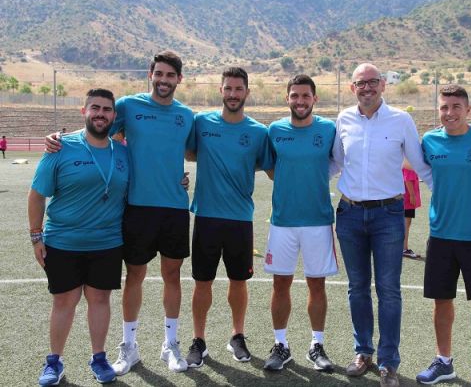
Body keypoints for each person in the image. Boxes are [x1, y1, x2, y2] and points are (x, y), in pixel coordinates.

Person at [45, 51, 195, 374]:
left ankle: (171, 344)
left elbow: (192, 151)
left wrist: (182, 174)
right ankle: (129, 347)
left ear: (179, 79)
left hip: (174, 209)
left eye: (171, 75)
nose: (164, 80)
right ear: (150, 74)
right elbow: (97, 127)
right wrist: (61, 139)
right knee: (135, 277)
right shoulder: (129, 106)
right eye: (159, 74)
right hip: (137, 207)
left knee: (172, 275)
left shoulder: (186, 115)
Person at [332, 63, 433, 387]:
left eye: (372, 82)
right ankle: (363, 352)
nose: (367, 88)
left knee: (388, 290)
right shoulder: (343, 120)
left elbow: (420, 166)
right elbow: (334, 162)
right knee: (357, 288)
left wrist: (445, 194)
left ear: (383, 85)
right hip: (349, 215)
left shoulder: (401, 120)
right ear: (352, 88)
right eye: (360, 83)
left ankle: (389, 362)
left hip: (388, 215)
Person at [28, 89, 128, 385]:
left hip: (107, 243)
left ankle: (99, 358)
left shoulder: (122, 152)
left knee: (100, 300)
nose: (101, 114)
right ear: (84, 111)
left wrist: (180, 181)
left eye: (107, 109)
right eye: (95, 108)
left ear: (113, 115)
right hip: (63, 242)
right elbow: (36, 195)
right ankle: (54, 362)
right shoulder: (60, 147)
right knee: (64, 302)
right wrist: (36, 236)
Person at [415, 85, 471, 387]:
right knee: (441, 302)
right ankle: (444, 362)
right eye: (444, 107)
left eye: (456, 106)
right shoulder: (429, 141)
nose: (449, 113)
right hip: (441, 236)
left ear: (468, 109)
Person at [184, 67, 272, 368]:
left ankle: (237, 336)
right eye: (228, 88)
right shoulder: (201, 123)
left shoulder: (259, 132)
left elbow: (271, 169)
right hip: (206, 217)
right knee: (202, 282)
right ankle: (199, 340)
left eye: (239, 89)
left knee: (239, 280)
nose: (233, 94)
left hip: (240, 219)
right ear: (221, 91)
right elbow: (189, 153)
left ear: (247, 92)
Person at [261, 74, 338, 372]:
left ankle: (316, 345)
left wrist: (313, 179)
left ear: (314, 99)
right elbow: (270, 168)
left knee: (316, 284)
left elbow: (336, 162)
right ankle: (281, 345)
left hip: (318, 221)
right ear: (288, 98)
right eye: (295, 95)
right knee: (281, 283)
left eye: (305, 96)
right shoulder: (275, 130)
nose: (300, 101)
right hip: (282, 221)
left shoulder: (328, 129)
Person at [402, 160, 421, 259]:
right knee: (406, 222)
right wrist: (412, 195)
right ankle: (404, 248)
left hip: (405, 196)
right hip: (407, 197)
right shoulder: (409, 161)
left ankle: (403, 248)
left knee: (406, 222)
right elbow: (407, 178)